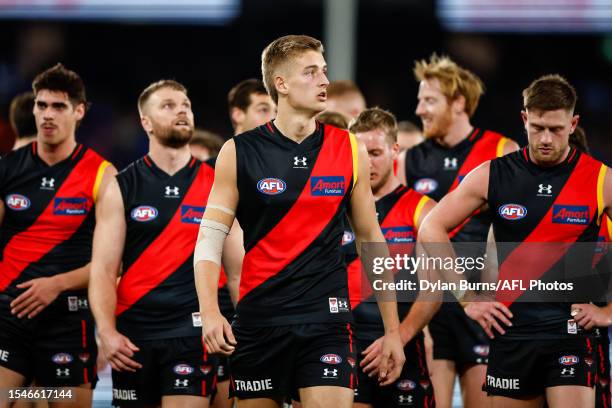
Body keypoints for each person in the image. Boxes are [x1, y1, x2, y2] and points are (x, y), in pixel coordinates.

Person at [193, 34, 405, 408]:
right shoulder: (238, 151)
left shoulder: (349, 148)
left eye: (324, 71)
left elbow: (371, 241)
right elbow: (209, 239)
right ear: (282, 84)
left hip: (327, 320)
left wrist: (393, 331)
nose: (324, 81)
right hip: (260, 321)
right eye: (311, 73)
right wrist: (210, 311)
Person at [420, 73, 612, 407]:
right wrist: (467, 298)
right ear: (524, 119)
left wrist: (609, 311)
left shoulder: (600, 179)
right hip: (512, 332)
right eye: (537, 127)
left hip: (572, 334)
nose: (547, 138)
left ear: (573, 122)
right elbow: (430, 228)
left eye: (556, 128)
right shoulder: (493, 174)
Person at [89, 80, 241, 407]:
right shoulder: (121, 185)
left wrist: (250, 328)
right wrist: (107, 332)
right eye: (168, 106)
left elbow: (237, 270)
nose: (182, 110)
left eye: (185, 104)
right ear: (146, 122)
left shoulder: (216, 182)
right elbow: (103, 269)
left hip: (193, 332)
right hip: (134, 335)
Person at [398, 54, 519, 408]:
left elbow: (508, 234)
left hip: (482, 306)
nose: (420, 109)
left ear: (459, 103)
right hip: (429, 307)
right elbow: (403, 236)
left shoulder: (500, 151)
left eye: (429, 100)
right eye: (420, 100)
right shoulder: (410, 158)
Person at [0, 63, 115, 407]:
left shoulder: (102, 175)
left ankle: (34, 394)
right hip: (10, 314)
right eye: (42, 105)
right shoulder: (7, 169)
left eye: (59, 106)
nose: (48, 115)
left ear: (79, 111)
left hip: (68, 318)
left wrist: (57, 284)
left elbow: (114, 262)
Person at [344, 108, 438, 408]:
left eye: (375, 152)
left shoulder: (422, 210)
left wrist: (397, 337)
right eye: (361, 153)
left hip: (404, 345)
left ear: (394, 150)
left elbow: (433, 290)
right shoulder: (337, 209)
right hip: (345, 345)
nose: (367, 162)